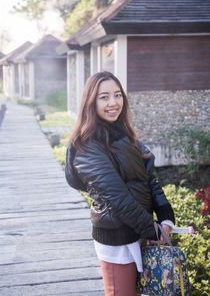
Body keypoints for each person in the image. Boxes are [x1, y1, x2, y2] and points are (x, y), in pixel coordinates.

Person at [65, 71, 175, 296]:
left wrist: (165, 217)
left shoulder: (125, 134)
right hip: (117, 239)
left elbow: (148, 179)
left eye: (117, 95)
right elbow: (117, 197)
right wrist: (152, 230)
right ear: (91, 102)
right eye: (104, 97)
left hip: (139, 231)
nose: (113, 103)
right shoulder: (87, 145)